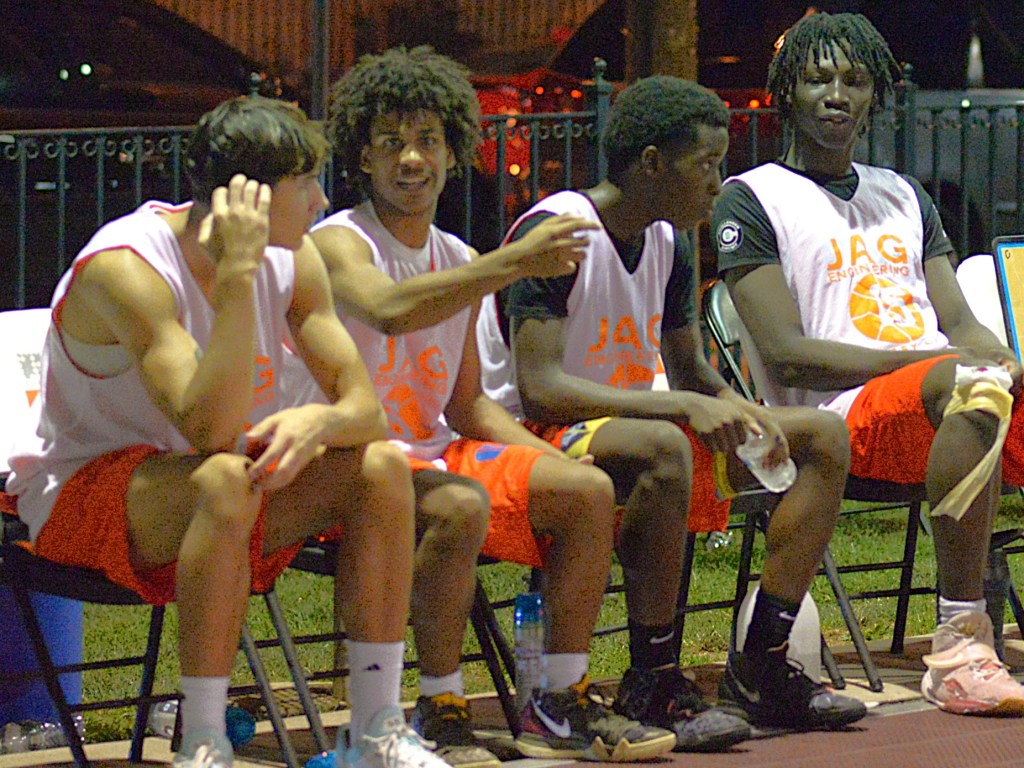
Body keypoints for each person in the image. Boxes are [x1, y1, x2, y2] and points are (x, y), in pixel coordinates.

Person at [5, 96, 450, 768]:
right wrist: (238, 280)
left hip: (223, 487)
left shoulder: (295, 257)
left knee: (379, 466)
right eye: (305, 183)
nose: (322, 202)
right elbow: (210, 429)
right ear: (250, 197)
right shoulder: (127, 269)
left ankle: (376, 730)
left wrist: (321, 418)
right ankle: (204, 742)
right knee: (224, 477)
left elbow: (367, 411)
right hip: (85, 495)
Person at [304, 46, 676, 765]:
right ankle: (442, 706)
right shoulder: (337, 242)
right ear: (363, 157)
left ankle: (560, 700)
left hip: (434, 450)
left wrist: (553, 461)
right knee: (459, 505)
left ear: (453, 154)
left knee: (587, 490)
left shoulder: (454, 254)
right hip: (351, 464)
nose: (411, 159)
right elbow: (388, 309)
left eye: (427, 140)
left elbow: (469, 406)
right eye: (391, 143)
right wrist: (509, 264)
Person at [480, 74, 868, 736]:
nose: (718, 183)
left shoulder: (669, 239)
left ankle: (761, 665)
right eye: (706, 165)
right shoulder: (559, 231)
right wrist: (681, 408)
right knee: (663, 446)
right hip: (531, 434)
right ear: (653, 164)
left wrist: (744, 411)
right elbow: (541, 388)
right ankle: (653, 679)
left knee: (822, 436)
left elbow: (689, 369)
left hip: (632, 425)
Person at [713, 10, 1024, 717]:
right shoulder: (753, 197)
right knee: (971, 387)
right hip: (841, 417)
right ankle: (960, 648)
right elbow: (789, 354)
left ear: (874, 93)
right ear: (787, 90)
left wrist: (998, 355)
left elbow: (960, 323)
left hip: (944, 399)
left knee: (986, 382)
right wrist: (938, 361)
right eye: (817, 79)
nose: (836, 95)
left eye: (853, 81)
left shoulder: (904, 194)